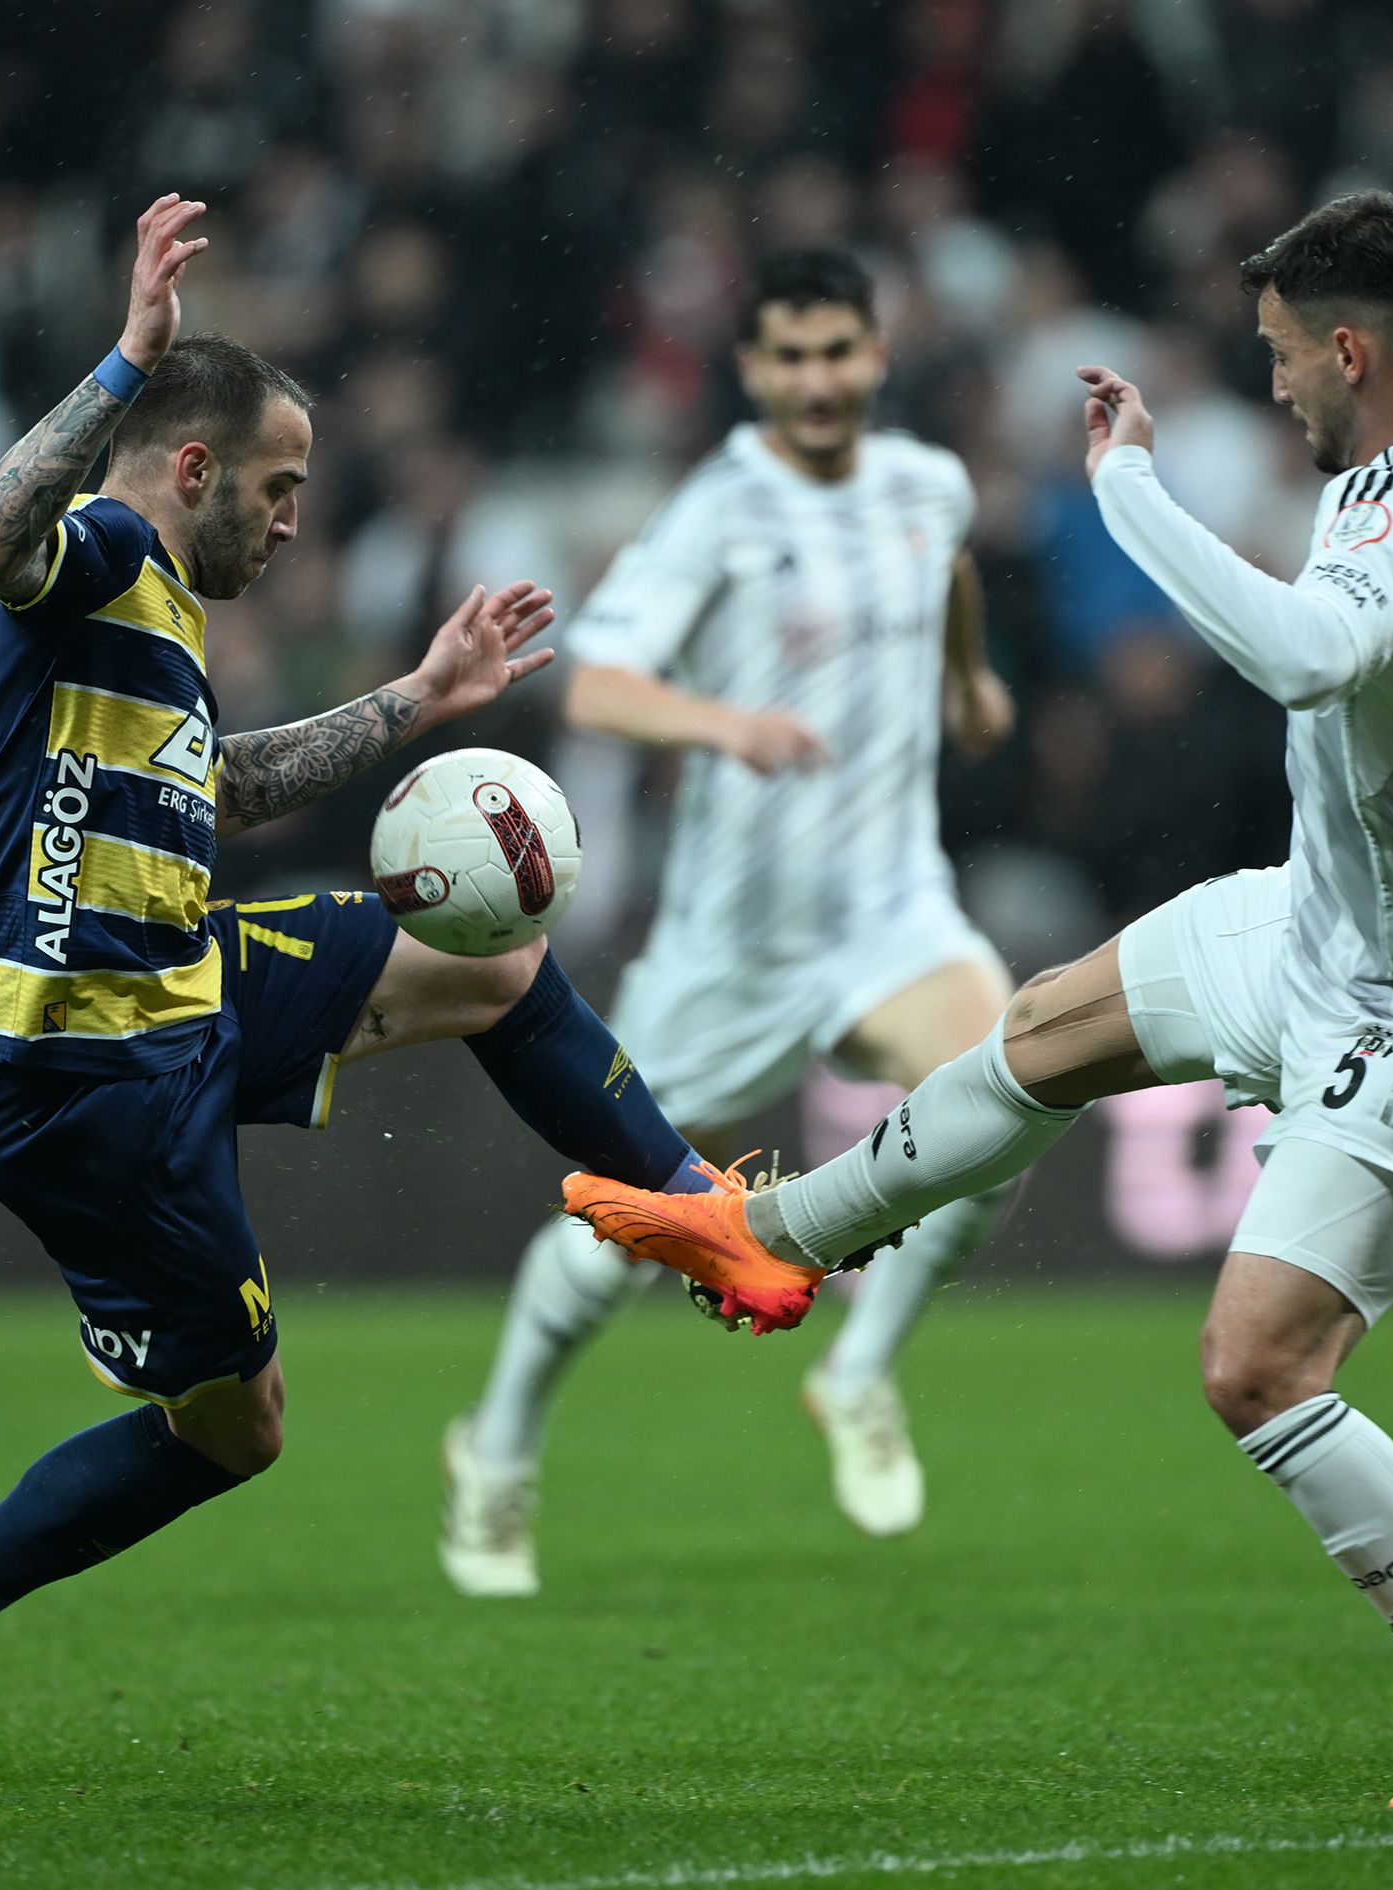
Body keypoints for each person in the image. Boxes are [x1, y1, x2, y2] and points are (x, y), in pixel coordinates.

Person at [564, 192, 1393, 1807]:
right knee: (1051, 1030)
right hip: (1319, 919)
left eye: (1280, 358)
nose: (1270, 388)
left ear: (1350, 348)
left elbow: (1306, 659)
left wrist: (1131, 486)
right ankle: (774, 1242)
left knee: (1256, 1367)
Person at [0, 196, 718, 1784]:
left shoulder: (152, 623)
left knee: (489, 958)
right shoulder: (98, 552)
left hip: (185, 980)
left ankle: (689, 1203)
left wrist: (419, 700)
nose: (295, 521)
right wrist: (123, 360)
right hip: (90, 1091)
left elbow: (227, 787)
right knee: (234, 1431)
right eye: (280, 486)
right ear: (191, 470)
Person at [439, 250, 1019, 1595]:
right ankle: (497, 1447)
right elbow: (591, 688)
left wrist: (970, 686)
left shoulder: (927, 486)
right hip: (729, 946)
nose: (817, 380)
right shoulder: (718, 509)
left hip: (888, 913)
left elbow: (946, 576)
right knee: (618, 1239)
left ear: (876, 355)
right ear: (753, 371)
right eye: (790, 357)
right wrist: (722, 723)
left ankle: (858, 1371)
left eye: (838, 351)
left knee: (1009, 1094)